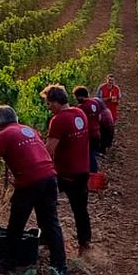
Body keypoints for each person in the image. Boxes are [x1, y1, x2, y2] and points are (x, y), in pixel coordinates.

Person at [0, 105, 67, 275]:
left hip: (30, 181)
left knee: (16, 223)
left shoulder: (4, 135)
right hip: (50, 177)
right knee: (51, 223)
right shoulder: (28, 129)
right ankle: (59, 267)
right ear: (15, 119)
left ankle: (8, 263)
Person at [42, 84, 92, 256]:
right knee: (80, 210)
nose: (48, 108)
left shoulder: (58, 120)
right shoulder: (81, 113)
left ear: (55, 102)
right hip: (83, 170)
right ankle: (85, 245)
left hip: (64, 173)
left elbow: (49, 150)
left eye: (49, 104)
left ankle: (48, 240)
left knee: (44, 203)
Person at [73, 85, 105, 168]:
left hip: (88, 135)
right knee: (93, 154)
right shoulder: (95, 103)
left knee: (89, 156)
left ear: (79, 96)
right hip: (97, 133)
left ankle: (93, 175)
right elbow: (99, 118)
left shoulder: (81, 108)